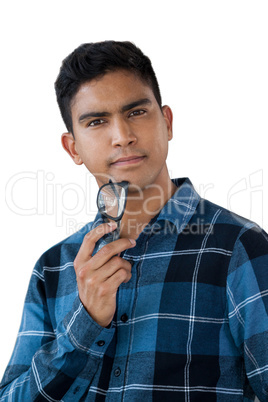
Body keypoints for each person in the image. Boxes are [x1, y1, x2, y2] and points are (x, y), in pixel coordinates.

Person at [0, 41, 267, 401]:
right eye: (96, 121)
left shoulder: (238, 247)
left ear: (167, 122)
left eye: (137, 112)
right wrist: (85, 324)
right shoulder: (53, 268)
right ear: (73, 148)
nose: (122, 136)